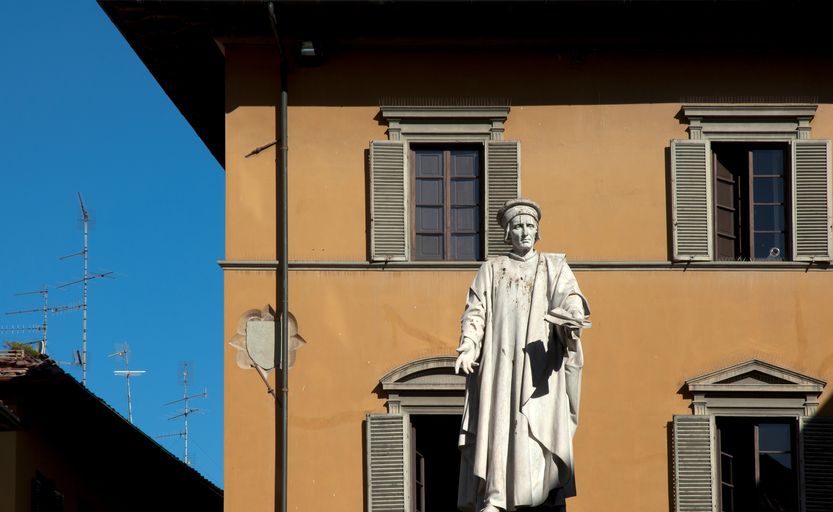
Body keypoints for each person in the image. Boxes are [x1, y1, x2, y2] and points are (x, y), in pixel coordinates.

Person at [455, 199, 589, 512]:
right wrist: (469, 346)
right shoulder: (492, 269)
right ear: (508, 233)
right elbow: (476, 312)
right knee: (500, 422)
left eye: (529, 226)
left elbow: (570, 297)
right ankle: (497, 495)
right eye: (517, 226)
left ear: (537, 231)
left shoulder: (553, 266)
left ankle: (537, 489)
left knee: (534, 426)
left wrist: (572, 316)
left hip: (539, 365)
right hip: (500, 362)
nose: (524, 232)